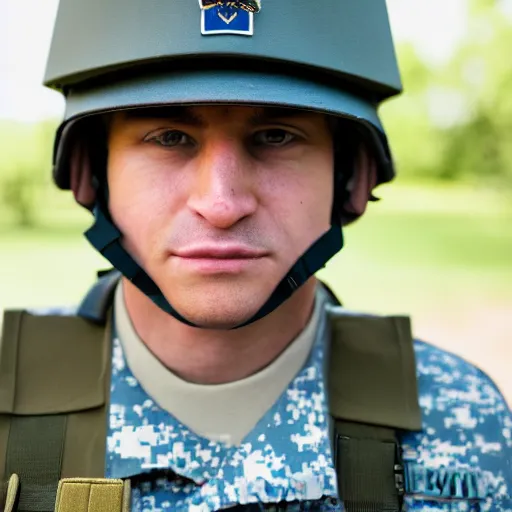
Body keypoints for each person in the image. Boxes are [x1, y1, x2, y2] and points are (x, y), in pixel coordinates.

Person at [0, 1, 510, 511]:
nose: (221, 205)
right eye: (170, 137)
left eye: (276, 136)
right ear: (93, 172)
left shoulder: (463, 421)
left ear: (351, 177)